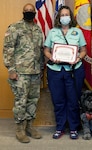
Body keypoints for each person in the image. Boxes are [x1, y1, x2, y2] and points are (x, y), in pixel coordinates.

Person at [44, 5, 86, 139]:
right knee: (58, 100)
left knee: (73, 100)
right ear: (59, 17)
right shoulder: (52, 32)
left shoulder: (77, 32)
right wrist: (51, 57)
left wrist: (78, 58)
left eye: (66, 15)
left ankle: (73, 127)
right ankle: (60, 127)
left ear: (71, 17)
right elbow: (46, 50)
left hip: (73, 70)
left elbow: (84, 50)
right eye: (62, 15)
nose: (64, 17)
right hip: (55, 70)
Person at [3, 3, 44, 143]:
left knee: (33, 100)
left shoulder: (38, 29)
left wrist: (42, 69)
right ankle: (20, 129)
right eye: (26, 11)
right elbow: (8, 49)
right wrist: (11, 69)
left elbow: (40, 51)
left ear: (35, 13)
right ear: (22, 12)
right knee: (21, 101)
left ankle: (30, 126)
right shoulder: (15, 28)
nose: (29, 13)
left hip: (35, 72)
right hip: (20, 73)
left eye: (31, 11)